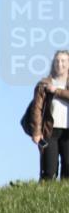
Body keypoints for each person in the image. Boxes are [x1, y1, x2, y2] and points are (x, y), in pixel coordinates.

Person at [30, 49, 69, 181]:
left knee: (68, 168)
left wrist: (56, 91)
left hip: (67, 132)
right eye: (57, 61)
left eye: (63, 61)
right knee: (49, 169)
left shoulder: (57, 87)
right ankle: (46, 197)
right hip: (49, 130)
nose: (60, 64)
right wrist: (36, 132)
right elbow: (37, 109)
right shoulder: (44, 84)